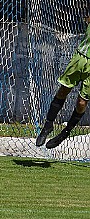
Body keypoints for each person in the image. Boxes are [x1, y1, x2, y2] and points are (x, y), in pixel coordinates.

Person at [36, 15, 90, 149]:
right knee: (63, 91)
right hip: (80, 58)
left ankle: (64, 133)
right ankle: (48, 125)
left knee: (81, 102)